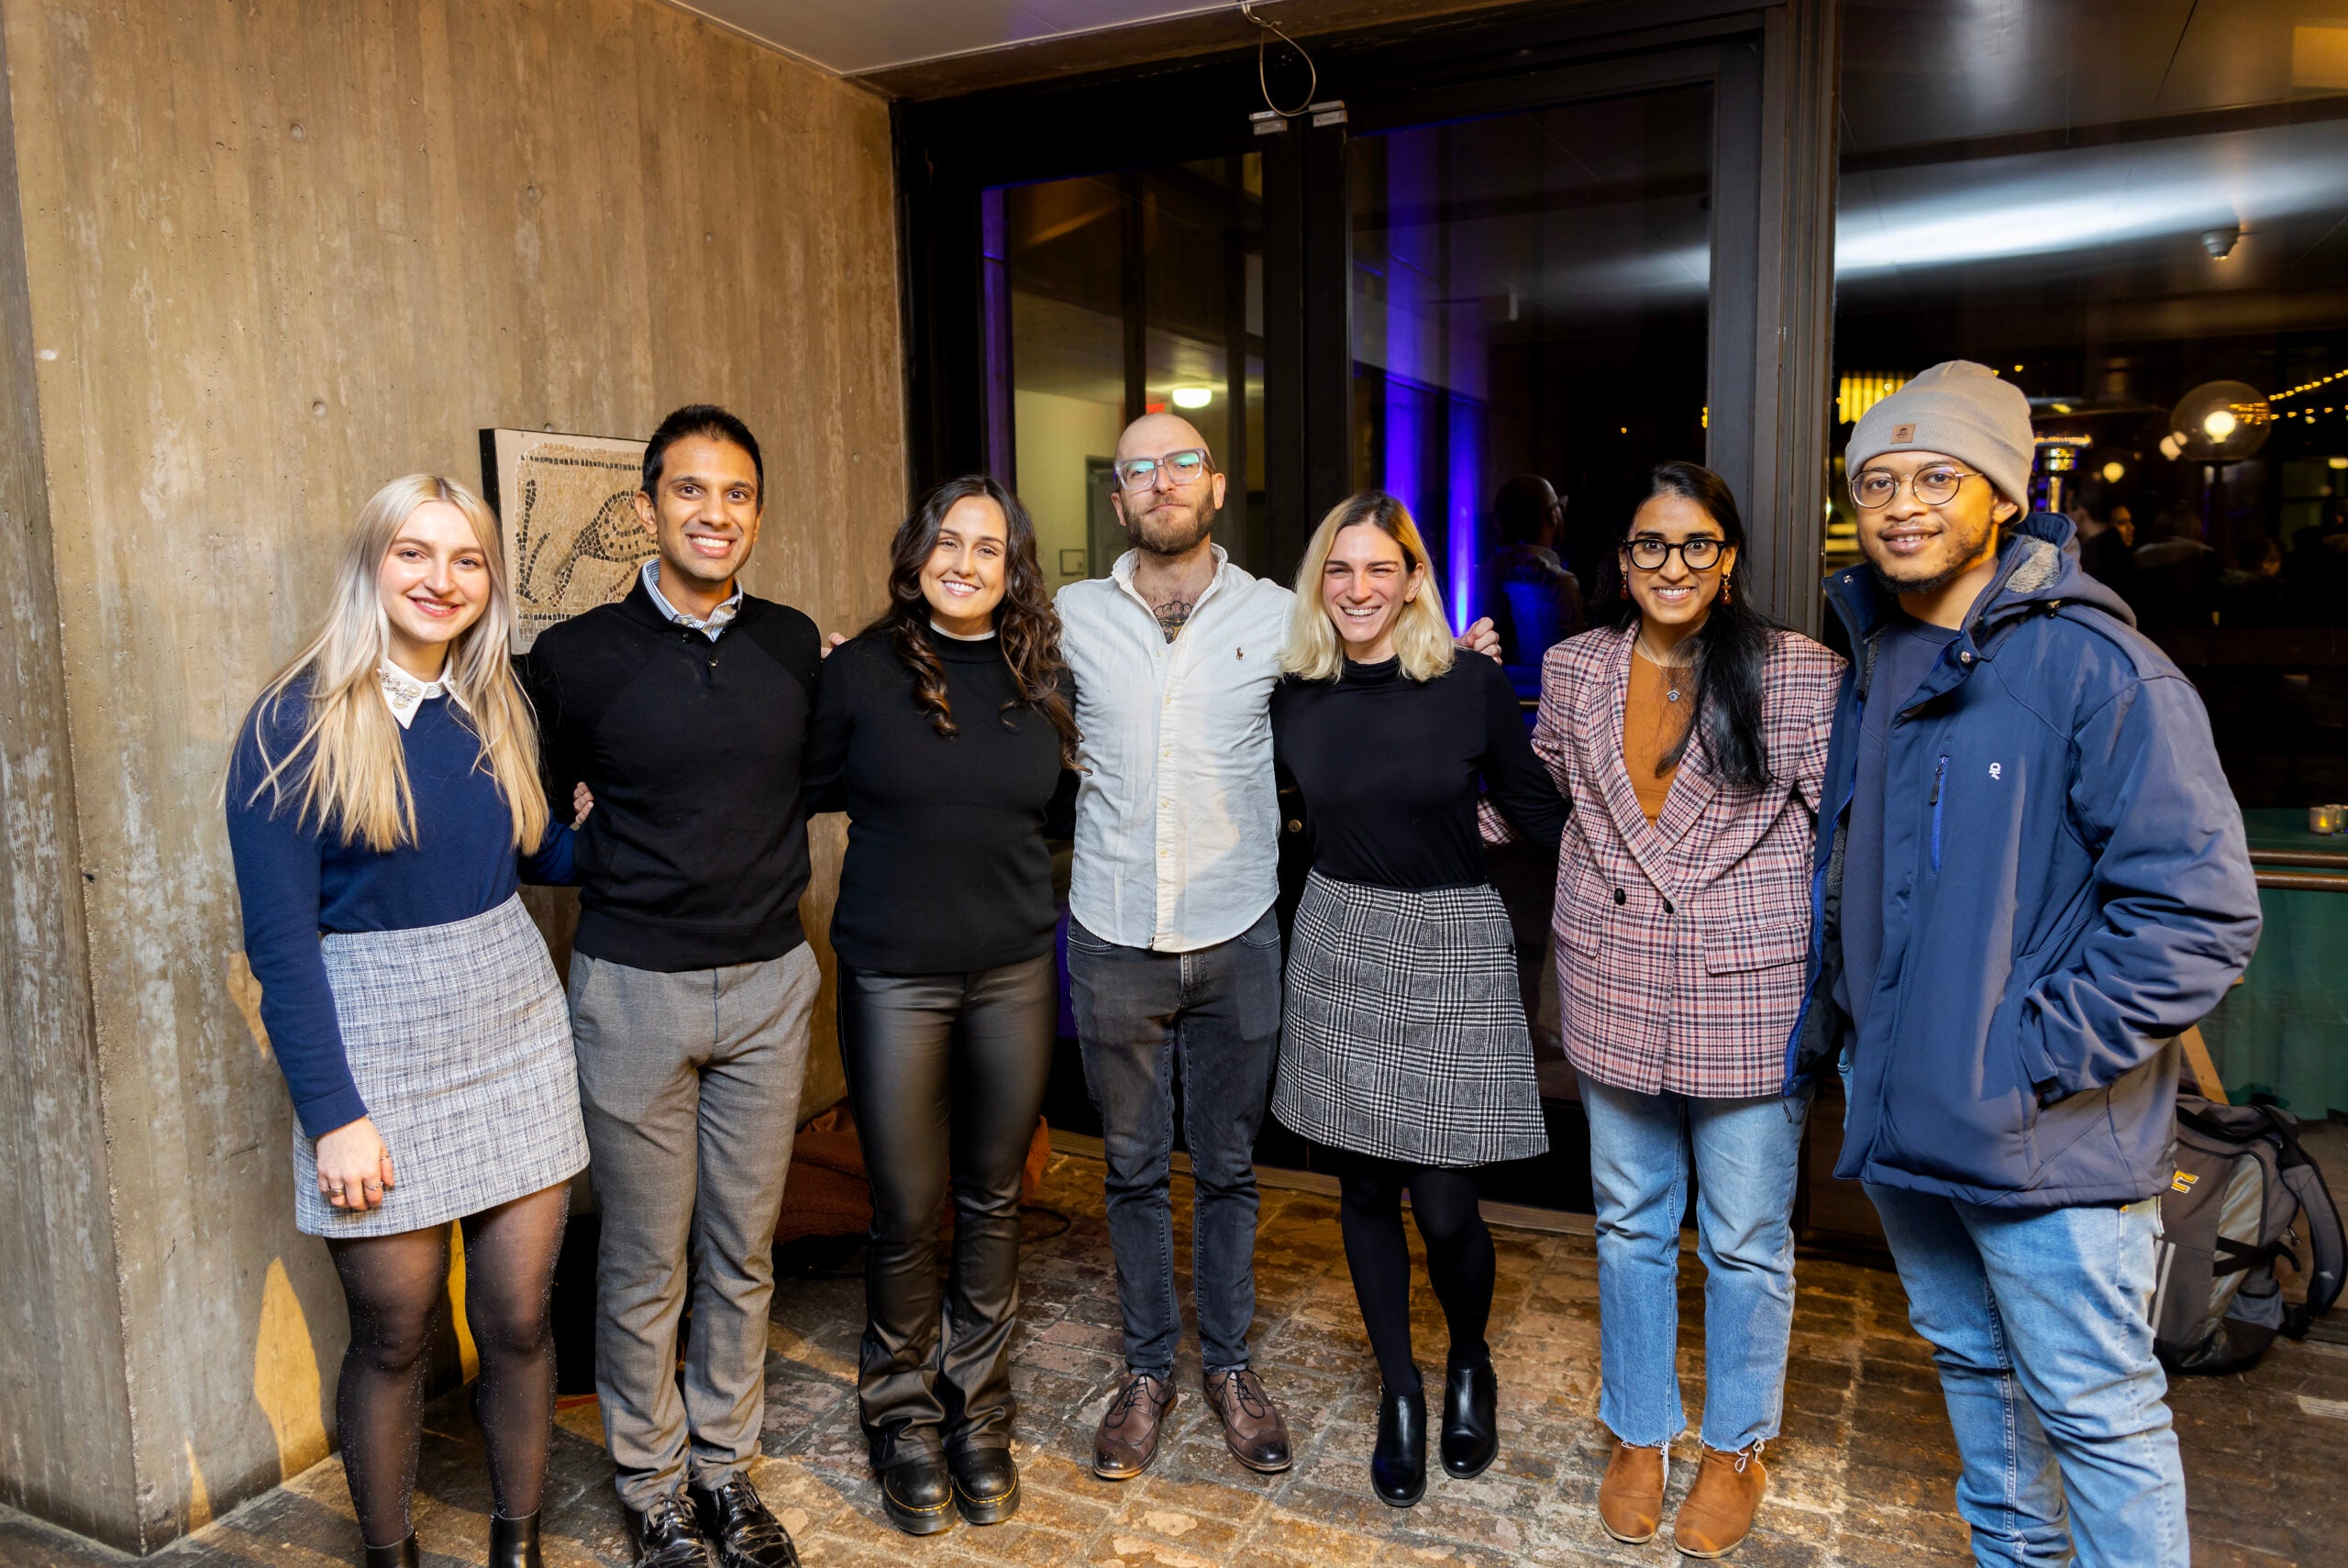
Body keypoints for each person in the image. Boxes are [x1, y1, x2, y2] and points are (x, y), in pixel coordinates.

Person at [1807, 360, 2262, 1567]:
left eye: (1937, 476)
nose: (1902, 505)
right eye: (1877, 481)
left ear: (2006, 496)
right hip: (1907, 1111)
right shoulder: (1880, 658)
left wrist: (2030, 1056)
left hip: (2041, 1133)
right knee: (1974, 1367)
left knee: (2098, 1413)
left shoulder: (2097, 668)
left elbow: (2200, 915)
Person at [1056, 412, 1501, 1484]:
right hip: (1112, 935)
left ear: (1215, 487)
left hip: (1240, 935)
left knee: (1227, 1169)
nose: (1161, 483)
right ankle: (1147, 1373)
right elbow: (976, 665)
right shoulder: (1068, 617)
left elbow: (1382, 676)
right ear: (1117, 498)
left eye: (1181, 464)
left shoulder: (1277, 619)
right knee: (1128, 1170)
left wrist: (1463, 673)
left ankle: (1230, 1367)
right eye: (1138, 470)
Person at [226, 474, 589, 1568]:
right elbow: (281, 949)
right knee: (395, 1334)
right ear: (370, 565)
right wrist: (334, 1115)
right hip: (372, 1042)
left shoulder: (493, 704)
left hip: (513, 1023)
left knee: (519, 1320)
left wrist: (644, 813)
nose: (443, 579)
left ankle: (517, 1544)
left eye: (467, 559)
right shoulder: (292, 721)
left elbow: (538, 854)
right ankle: (389, 1555)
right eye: (414, 553)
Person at [522, 406, 817, 1568]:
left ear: (758, 513)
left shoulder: (792, 644)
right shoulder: (575, 657)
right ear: (647, 507)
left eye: (736, 493)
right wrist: (592, 845)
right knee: (646, 1259)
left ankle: (723, 1473)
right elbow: (532, 824)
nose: (714, 513)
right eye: (689, 490)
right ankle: (652, 1488)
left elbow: (814, 778)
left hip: (771, 983)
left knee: (743, 1250)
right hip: (633, 990)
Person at [1530, 462, 1843, 1557]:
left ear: (1728, 559)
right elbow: (1551, 796)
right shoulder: (1573, 668)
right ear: (1623, 562)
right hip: (1613, 978)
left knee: (1745, 1241)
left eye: (1696, 543)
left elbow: (1840, 838)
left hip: (1745, 992)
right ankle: (1638, 1431)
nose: (1673, 564)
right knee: (1629, 1223)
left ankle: (1734, 1447)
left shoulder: (1799, 674)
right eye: (1650, 546)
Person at [1268, 491, 1565, 1507]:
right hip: (1340, 939)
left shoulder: (1469, 684)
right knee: (1362, 1191)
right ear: (1319, 582)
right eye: (1339, 569)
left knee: (1444, 1205)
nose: (1359, 588)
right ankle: (1399, 1389)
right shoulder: (1291, 694)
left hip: (1450, 945)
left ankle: (1468, 1357)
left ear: (1412, 580)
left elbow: (1538, 815)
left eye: (1380, 568)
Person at [804, 476, 1080, 1536]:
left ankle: (979, 1413)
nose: (965, 563)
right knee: (908, 1208)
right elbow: (789, 788)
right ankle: (902, 1417)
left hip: (1013, 971)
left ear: (1013, 568)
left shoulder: (1038, 673)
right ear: (916, 555)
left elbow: (1060, 806)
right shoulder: (859, 673)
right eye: (948, 542)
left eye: (988, 548)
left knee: (994, 1197)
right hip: (893, 977)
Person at [1479, 473, 1586, 688]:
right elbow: (1577, 665)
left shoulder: (1479, 577)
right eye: (1559, 507)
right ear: (1552, 516)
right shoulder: (1563, 584)